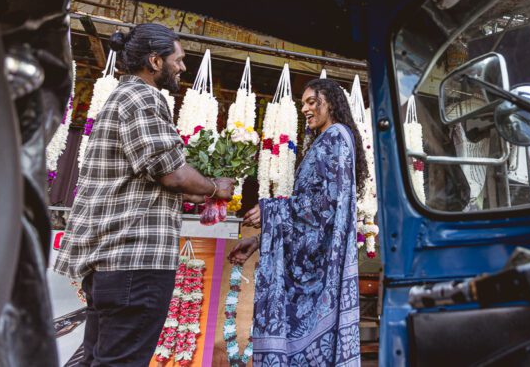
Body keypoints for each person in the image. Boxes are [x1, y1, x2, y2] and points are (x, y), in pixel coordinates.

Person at [53, 23, 234, 366]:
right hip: (135, 262)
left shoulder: (122, 97)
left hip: (114, 263)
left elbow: (148, 177)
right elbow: (171, 173)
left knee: (96, 358)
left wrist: (192, 192)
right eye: (177, 60)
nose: (182, 67)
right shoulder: (143, 96)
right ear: (155, 60)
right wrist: (214, 188)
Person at [229, 78, 367, 367]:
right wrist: (258, 240)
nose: (304, 108)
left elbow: (328, 203)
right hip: (305, 262)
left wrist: (271, 210)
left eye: (311, 102)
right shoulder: (324, 141)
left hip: (319, 269)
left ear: (330, 102)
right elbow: (306, 214)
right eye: (302, 103)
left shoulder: (337, 137)